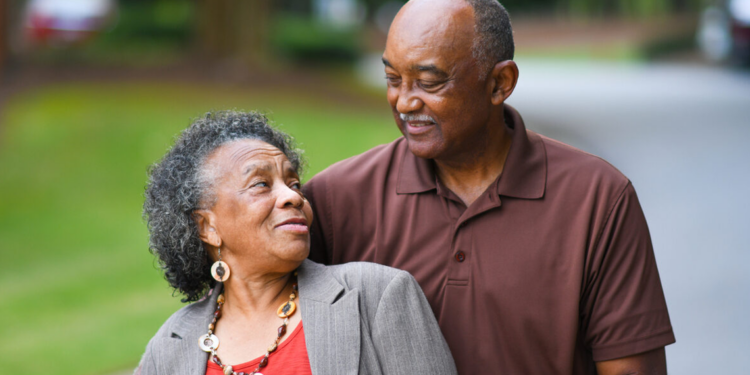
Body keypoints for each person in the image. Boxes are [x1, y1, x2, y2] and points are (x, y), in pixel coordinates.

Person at [302, 0, 675, 374]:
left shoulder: (598, 200)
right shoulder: (335, 200)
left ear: (500, 83)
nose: (404, 101)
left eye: (429, 82)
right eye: (392, 79)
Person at [136, 111, 457, 375]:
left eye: (294, 183)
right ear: (207, 227)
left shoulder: (377, 296)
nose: (293, 196)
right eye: (261, 184)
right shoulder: (169, 347)